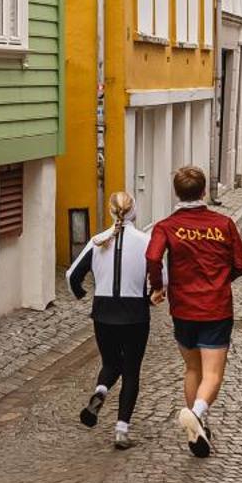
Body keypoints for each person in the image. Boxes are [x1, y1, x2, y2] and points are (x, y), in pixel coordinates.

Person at [147, 165, 242, 457]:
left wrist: (158, 287)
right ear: (204, 191)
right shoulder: (224, 224)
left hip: (183, 308)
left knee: (192, 367)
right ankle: (197, 412)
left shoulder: (165, 226)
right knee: (213, 373)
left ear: (176, 192)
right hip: (215, 307)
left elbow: (153, 256)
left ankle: (197, 428)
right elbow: (240, 263)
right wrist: (220, 280)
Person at [66, 190, 152, 449]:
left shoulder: (97, 242)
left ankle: (101, 392)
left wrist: (82, 294)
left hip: (103, 312)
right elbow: (162, 278)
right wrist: (150, 295)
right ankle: (121, 430)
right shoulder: (146, 241)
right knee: (131, 371)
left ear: (112, 211)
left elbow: (71, 276)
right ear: (133, 211)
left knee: (111, 363)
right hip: (135, 312)